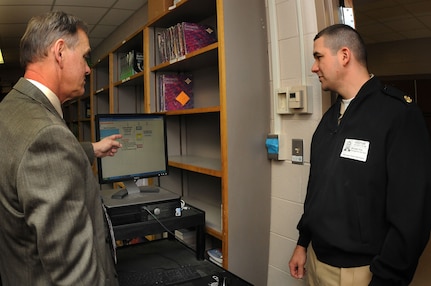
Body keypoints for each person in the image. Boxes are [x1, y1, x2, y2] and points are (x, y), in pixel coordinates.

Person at [289, 24, 431, 285]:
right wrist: (302, 243)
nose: (314, 67)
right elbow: (316, 189)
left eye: (318, 57)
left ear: (344, 55)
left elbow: (412, 214)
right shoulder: (329, 120)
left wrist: (388, 277)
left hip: (361, 272)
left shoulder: (397, 115)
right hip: (316, 261)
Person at [0, 11, 122, 285]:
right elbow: (76, 277)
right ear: (60, 52)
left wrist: (92, 148)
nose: (88, 68)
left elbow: (30, 162)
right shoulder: (48, 135)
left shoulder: (11, 109)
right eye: (85, 56)